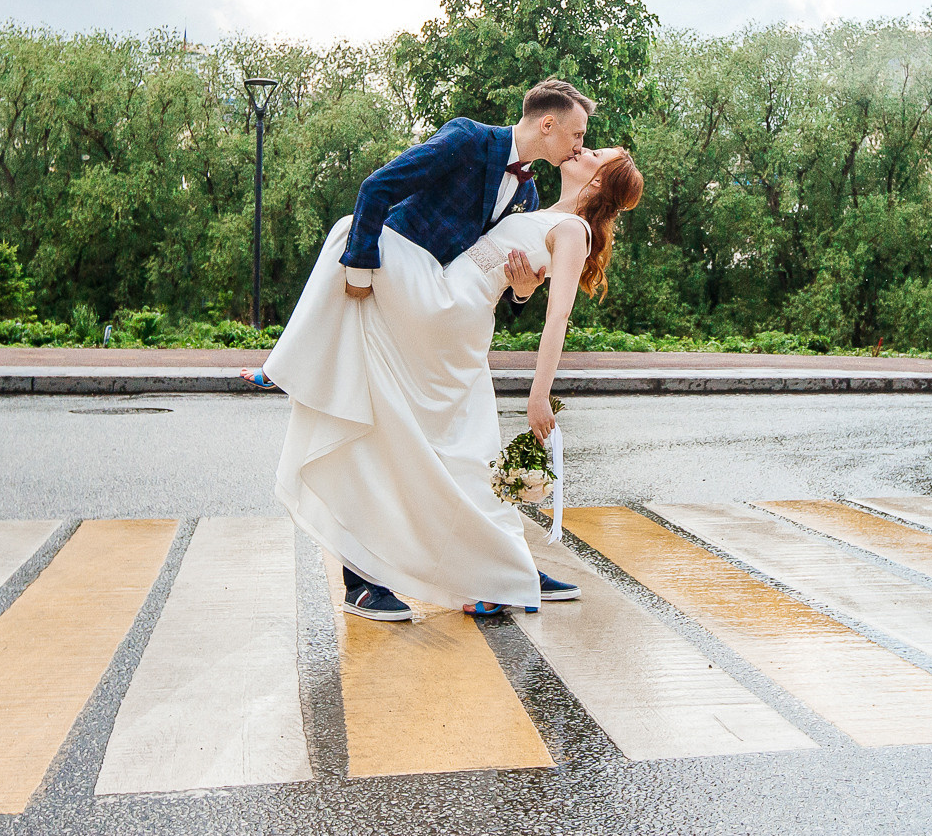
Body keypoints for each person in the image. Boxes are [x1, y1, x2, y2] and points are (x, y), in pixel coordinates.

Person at [250, 82, 641, 621]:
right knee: (352, 241)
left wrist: (524, 291)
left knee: (468, 452)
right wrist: (363, 266)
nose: (582, 147)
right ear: (547, 126)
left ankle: (502, 565)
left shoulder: (540, 207)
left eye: (591, 149)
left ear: (597, 181)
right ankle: (415, 571)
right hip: (428, 299)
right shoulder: (482, 153)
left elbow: (526, 290)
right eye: (581, 138)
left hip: (455, 319)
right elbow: (380, 190)